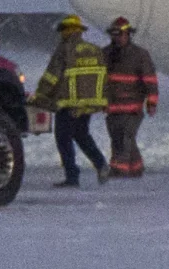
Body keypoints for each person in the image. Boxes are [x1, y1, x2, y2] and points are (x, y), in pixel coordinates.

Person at [31, 14, 110, 188]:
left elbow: (52, 77)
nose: (62, 34)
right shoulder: (95, 50)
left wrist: (39, 96)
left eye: (63, 31)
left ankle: (72, 177)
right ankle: (101, 164)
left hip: (68, 103)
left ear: (67, 31)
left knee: (64, 139)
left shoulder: (64, 49)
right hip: (88, 104)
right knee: (82, 135)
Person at [103, 16, 158, 178]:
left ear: (128, 34)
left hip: (132, 107)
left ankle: (118, 170)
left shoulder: (140, 55)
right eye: (114, 34)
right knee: (118, 138)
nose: (117, 38)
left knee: (124, 138)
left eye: (120, 34)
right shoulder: (104, 54)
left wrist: (152, 102)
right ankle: (136, 168)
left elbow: (150, 80)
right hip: (112, 107)